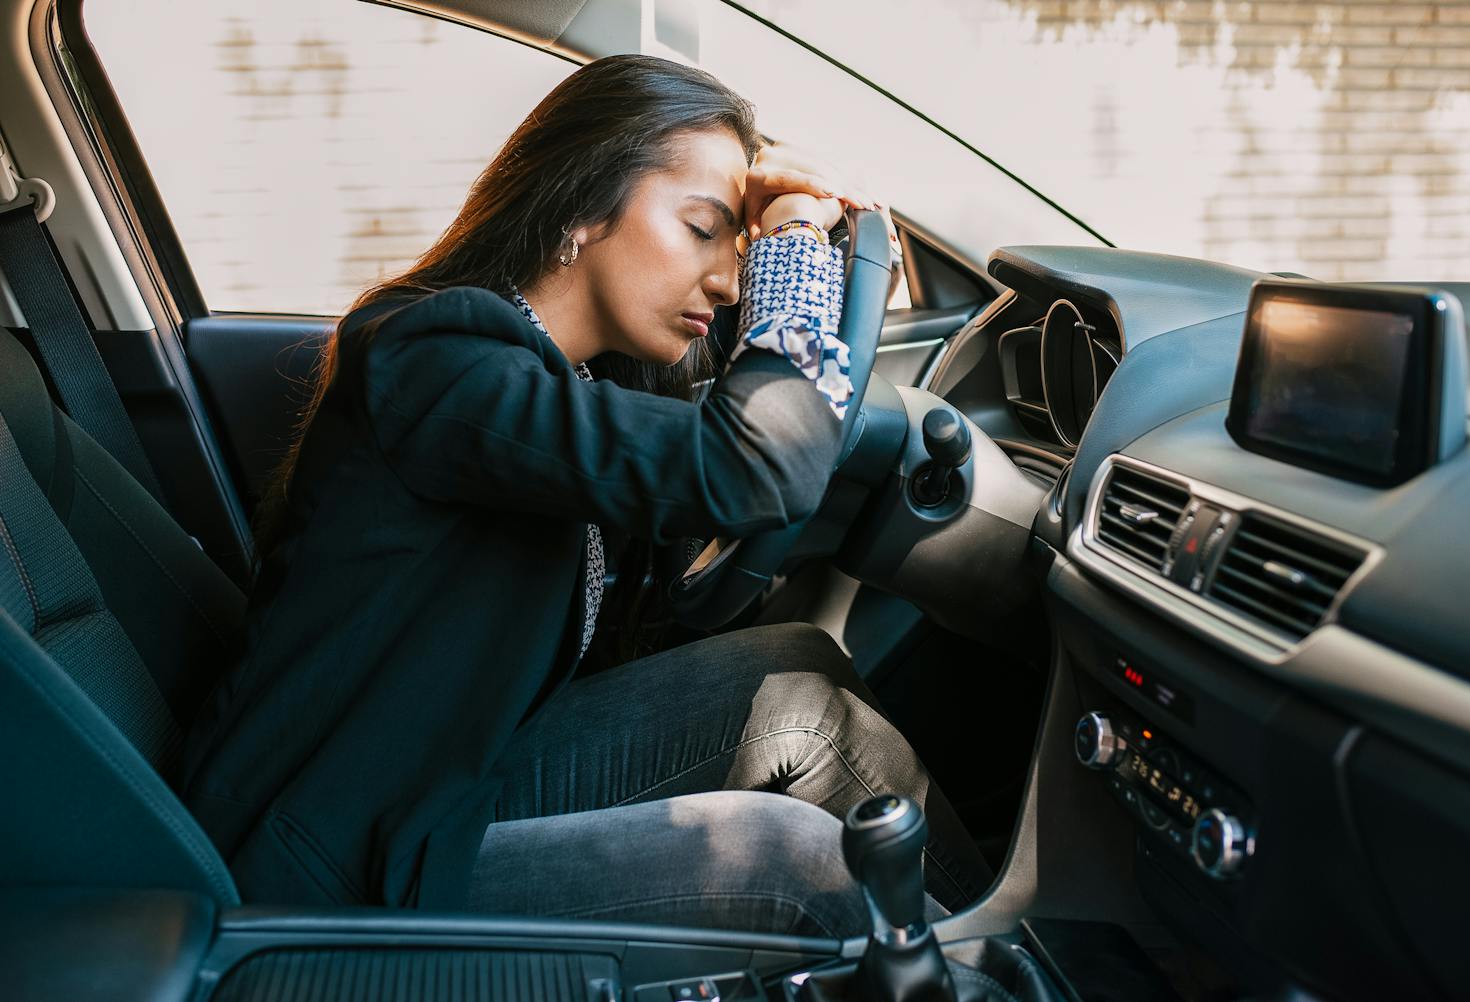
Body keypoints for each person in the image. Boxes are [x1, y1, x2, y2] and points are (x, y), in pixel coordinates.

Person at [181, 53, 992, 938]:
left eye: (737, 251)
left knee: (802, 681)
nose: (728, 282)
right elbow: (757, 464)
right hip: (337, 855)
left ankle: (992, 946)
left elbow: (718, 476)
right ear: (580, 208)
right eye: (702, 229)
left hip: (450, 770)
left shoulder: (562, 376)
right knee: (793, 855)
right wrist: (795, 234)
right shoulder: (436, 355)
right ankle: (993, 974)